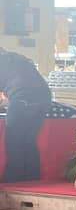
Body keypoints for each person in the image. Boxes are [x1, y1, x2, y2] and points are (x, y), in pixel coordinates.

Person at [0, 48, 52, 184]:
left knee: (14, 141)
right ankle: (32, 179)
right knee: (29, 140)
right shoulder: (16, 58)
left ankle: (12, 181)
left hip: (22, 98)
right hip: (43, 98)